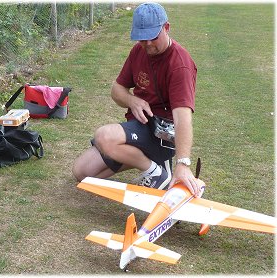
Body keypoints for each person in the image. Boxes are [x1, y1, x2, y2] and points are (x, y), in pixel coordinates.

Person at [72, 2, 203, 197]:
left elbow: (183, 118)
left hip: (162, 136)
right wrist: (132, 101)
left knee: (104, 136)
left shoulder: (180, 65)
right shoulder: (138, 51)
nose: (147, 44)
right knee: (82, 172)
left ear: (166, 28)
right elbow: (117, 90)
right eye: (142, 38)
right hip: (140, 128)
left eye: (152, 37)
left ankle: (155, 173)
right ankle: (155, 166)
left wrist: (183, 163)